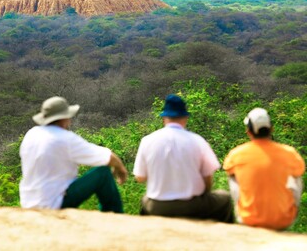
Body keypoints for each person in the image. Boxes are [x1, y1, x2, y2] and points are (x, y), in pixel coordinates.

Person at [133, 94, 233, 223]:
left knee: (145, 200)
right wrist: (203, 195)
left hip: (158, 206)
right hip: (192, 206)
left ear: (164, 118)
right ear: (185, 118)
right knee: (224, 198)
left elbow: (140, 178)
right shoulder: (197, 141)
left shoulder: (147, 141)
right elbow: (208, 177)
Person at [19, 96, 128, 212]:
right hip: (53, 202)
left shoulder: (31, 134)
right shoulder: (66, 138)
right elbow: (107, 157)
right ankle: (114, 214)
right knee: (103, 172)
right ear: (64, 119)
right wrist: (121, 168)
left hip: (27, 201)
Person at [223, 107, 305, 230]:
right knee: (296, 177)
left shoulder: (236, 154)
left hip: (249, 219)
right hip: (283, 220)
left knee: (233, 176)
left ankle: (244, 210)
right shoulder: (290, 153)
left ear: (248, 132)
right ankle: (288, 211)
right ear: (271, 129)